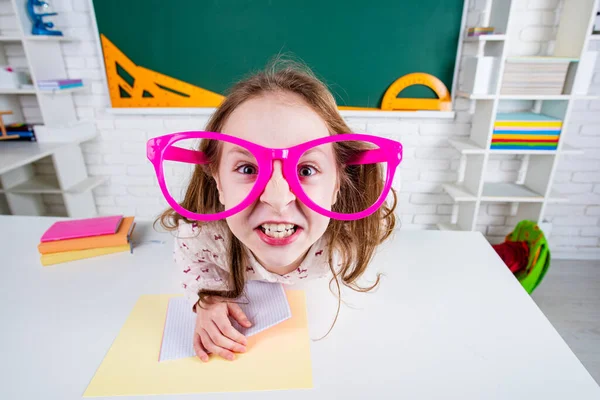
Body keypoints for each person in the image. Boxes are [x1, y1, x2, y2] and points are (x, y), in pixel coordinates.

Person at [150, 58, 401, 362]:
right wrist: (207, 301)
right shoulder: (204, 235)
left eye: (307, 170)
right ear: (217, 182)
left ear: (338, 184)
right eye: (247, 168)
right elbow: (190, 256)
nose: (278, 199)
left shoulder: (349, 235)